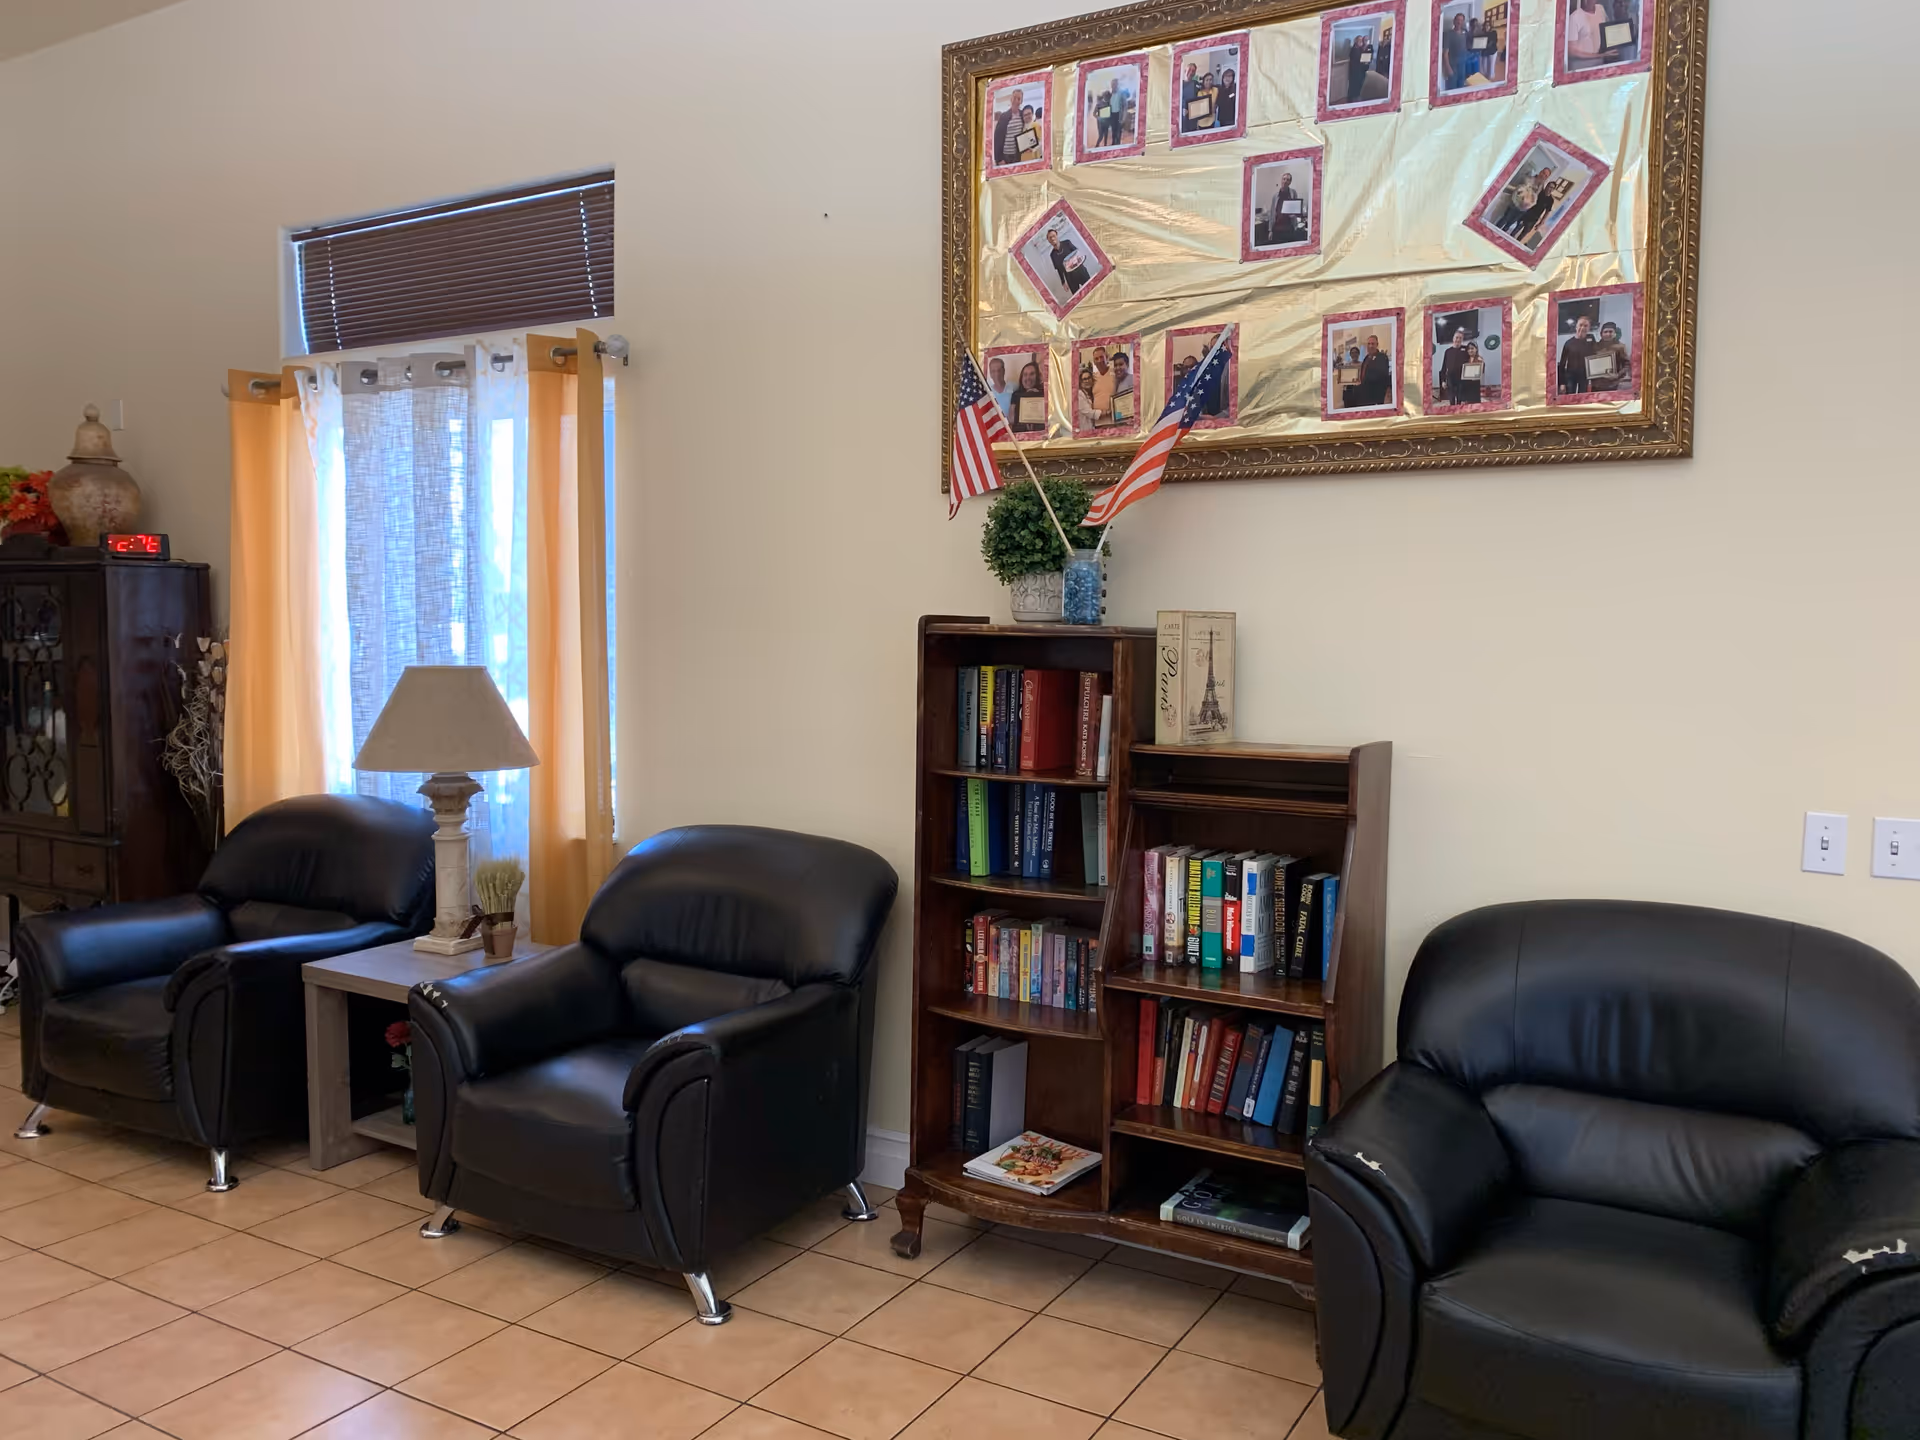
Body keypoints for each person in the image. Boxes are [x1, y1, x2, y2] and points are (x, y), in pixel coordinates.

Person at [1497, 166, 1549, 236]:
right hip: (1515, 204)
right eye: (1543, 173)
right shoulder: (1529, 179)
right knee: (1505, 219)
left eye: (1546, 175)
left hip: (1523, 209)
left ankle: (1499, 237)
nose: (1543, 176)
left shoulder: (1540, 187)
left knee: (1509, 224)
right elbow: (1519, 189)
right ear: (1540, 172)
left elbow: (1534, 199)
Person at [1557, 315, 1598, 394]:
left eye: (1586, 326)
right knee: (1570, 398)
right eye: (1580, 325)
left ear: (1589, 328)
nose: (1582, 328)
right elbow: (1562, 364)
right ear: (1576, 326)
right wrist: (1562, 383)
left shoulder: (1592, 340)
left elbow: (1596, 357)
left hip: (1585, 377)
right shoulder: (1568, 343)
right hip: (1570, 377)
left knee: (1583, 399)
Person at [1046, 227, 1091, 297]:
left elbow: (1078, 254)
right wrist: (1063, 282)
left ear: (1057, 235)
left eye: (1053, 236)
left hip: (1081, 272)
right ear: (1048, 241)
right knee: (1078, 298)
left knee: (1091, 290)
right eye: (1050, 237)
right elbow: (1059, 270)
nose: (1052, 238)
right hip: (1070, 279)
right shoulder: (1052, 255)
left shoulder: (1067, 243)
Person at [1588, 320, 1631, 391]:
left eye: (1610, 331)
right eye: (1605, 332)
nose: (1608, 334)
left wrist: (1617, 375)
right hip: (1596, 384)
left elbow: (1627, 365)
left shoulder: (1620, 347)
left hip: (1613, 384)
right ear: (1601, 334)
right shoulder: (1594, 346)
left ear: (1615, 333)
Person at [1567, 0, 1612, 67]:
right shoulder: (1574, 17)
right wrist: (1599, 55)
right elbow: (1571, 51)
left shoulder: (1600, 9)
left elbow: (1607, 31)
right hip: (1581, 67)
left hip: (1599, 63)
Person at [1267, 170, 1305, 244]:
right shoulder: (1275, 196)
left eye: (1287, 179)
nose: (1285, 181)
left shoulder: (1293, 193)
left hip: (1289, 227)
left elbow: (1296, 208)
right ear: (1281, 180)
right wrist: (1270, 230)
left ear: (1290, 182)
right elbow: (1272, 213)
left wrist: (1294, 215)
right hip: (1277, 228)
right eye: (1284, 179)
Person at [1437, 327, 1472, 405]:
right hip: (1450, 379)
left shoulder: (1466, 350)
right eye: (1457, 337)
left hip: (1462, 379)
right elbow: (1444, 367)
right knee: (1451, 399)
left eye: (1460, 338)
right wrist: (1443, 380)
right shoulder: (1448, 351)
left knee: (1460, 399)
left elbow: (1471, 362)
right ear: (1453, 338)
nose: (1458, 339)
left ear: (1462, 339)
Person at [1010, 361, 1047, 432]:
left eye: (1032, 374)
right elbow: (1011, 419)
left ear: (1038, 376)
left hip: (1040, 437)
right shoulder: (1016, 394)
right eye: (1025, 374)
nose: (1028, 377)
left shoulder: (1044, 394)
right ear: (1021, 377)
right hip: (1020, 436)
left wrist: (1036, 396)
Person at [1358, 334, 1393, 407]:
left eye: (1373, 344)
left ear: (1377, 345)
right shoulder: (1367, 357)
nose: (1370, 346)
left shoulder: (1382, 357)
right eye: (1369, 344)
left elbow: (1381, 375)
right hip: (1365, 393)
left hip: (1376, 394)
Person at [993, 90, 1026, 166]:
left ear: (1021, 101)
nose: (1016, 101)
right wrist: (999, 159)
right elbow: (997, 138)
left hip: (1017, 155)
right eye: (1014, 98)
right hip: (1005, 155)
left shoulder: (1022, 115)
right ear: (1011, 99)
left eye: (1019, 99)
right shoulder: (1004, 116)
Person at [1443, 13, 1469, 90]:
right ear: (1454, 21)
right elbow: (1445, 53)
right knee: (1452, 89)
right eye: (1457, 20)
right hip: (1453, 66)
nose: (1459, 22)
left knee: (1461, 88)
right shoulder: (1448, 34)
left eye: (1461, 20)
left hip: (1462, 65)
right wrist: (1448, 68)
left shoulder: (1465, 33)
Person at [1345, 32, 1373, 104]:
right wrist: (1363, 62)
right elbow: (1356, 61)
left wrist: (1366, 62)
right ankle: (1352, 101)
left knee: (1358, 86)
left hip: (1360, 71)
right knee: (1353, 87)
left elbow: (1367, 57)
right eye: (1359, 40)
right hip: (1355, 73)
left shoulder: (1361, 48)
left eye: (1362, 40)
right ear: (1356, 41)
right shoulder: (1354, 49)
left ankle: (1355, 98)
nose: (1361, 41)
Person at [1089, 346, 1116, 417]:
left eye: (1101, 357)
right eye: (1096, 359)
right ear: (1094, 362)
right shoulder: (1092, 377)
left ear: (1107, 358)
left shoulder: (1115, 373)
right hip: (1097, 421)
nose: (1099, 360)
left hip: (1114, 418)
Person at [1109, 351, 1136, 422]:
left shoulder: (1133, 380)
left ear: (1127, 365)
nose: (1118, 368)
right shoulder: (1117, 382)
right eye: (1115, 365)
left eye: (1121, 364)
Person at [1180, 63, 1201, 131]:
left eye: (1193, 71)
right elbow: (1174, 100)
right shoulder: (1179, 84)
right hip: (1182, 118)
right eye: (1189, 70)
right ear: (1185, 70)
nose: (1191, 72)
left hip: (1193, 117)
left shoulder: (1197, 84)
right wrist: (1181, 109)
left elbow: (1201, 98)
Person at [1076, 365, 1098, 429]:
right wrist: (1105, 412)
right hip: (1084, 428)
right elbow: (1089, 412)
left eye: (1089, 378)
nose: (1087, 381)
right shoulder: (1079, 394)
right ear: (1080, 381)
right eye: (1084, 379)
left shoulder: (1091, 393)